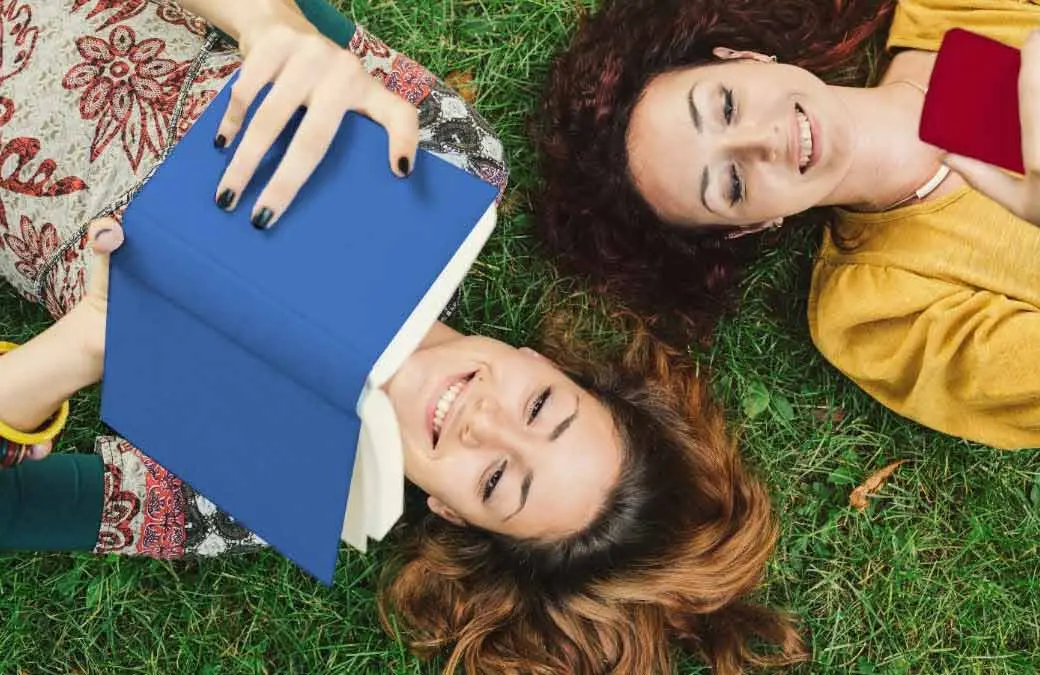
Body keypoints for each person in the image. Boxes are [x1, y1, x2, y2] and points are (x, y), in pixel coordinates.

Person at [0, 2, 807, 674]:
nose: (482, 420)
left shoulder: (246, 491)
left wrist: (79, 350)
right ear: (546, 361)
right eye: (540, 406)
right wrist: (277, 30)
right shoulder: (448, 171)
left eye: (497, 479)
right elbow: (289, 29)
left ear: (454, 514)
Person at [534, 0, 1040, 450]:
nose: (763, 142)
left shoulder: (951, 15)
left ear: (744, 58)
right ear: (750, 227)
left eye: (726, 104)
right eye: (730, 183)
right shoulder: (875, 308)